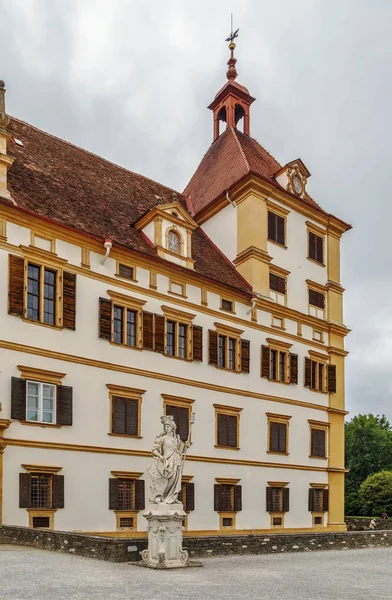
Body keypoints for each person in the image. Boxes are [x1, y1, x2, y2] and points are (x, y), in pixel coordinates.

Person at [147, 415, 190, 504]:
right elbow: (154, 449)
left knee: (176, 478)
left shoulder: (176, 439)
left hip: (176, 460)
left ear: (172, 428)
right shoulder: (163, 438)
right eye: (165, 426)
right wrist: (161, 457)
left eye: (168, 426)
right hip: (167, 460)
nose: (166, 428)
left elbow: (181, 450)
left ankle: (172, 497)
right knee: (169, 478)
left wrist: (186, 446)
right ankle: (163, 496)